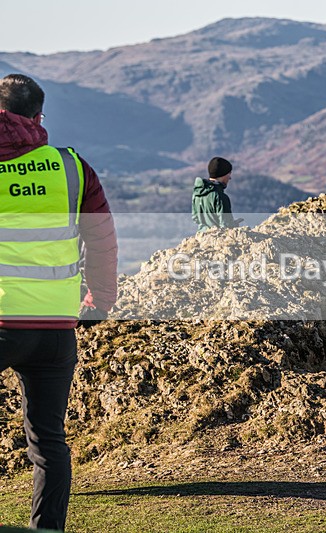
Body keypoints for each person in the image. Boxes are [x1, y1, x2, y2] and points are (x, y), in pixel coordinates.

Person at [0, 74, 118, 531]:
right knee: (49, 441)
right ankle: (47, 528)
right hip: (54, 326)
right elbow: (102, 241)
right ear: (39, 117)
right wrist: (101, 301)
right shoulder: (71, 167)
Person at [191, 157, 243, 231]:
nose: (230, 177)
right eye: (229, 174)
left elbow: (195, 218)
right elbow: (226, 225)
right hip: (217, 239)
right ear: (223, 174)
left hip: (202, 236)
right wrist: (234, 225)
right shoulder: (220, 197)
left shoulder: (197, 194)